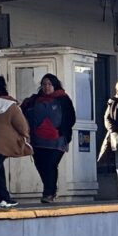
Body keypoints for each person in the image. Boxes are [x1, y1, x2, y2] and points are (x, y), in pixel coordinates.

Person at [22, 74, 75, 203]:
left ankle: (48, 193)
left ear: (55, 85)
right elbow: (22, 112)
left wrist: (62, 132)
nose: (46, 87)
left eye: (49, 84)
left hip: (57, 141)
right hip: (37, 141)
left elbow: (70, 118)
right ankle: (50, 189)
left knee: (50, 165)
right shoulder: (34, 100)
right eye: (44, 84)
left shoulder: (63, 99)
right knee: (40, 166)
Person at [0, 76, 30, 208]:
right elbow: (22, 126)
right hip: (3, 145)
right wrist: (26, 136)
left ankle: (3, 197)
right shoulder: (10, 105)